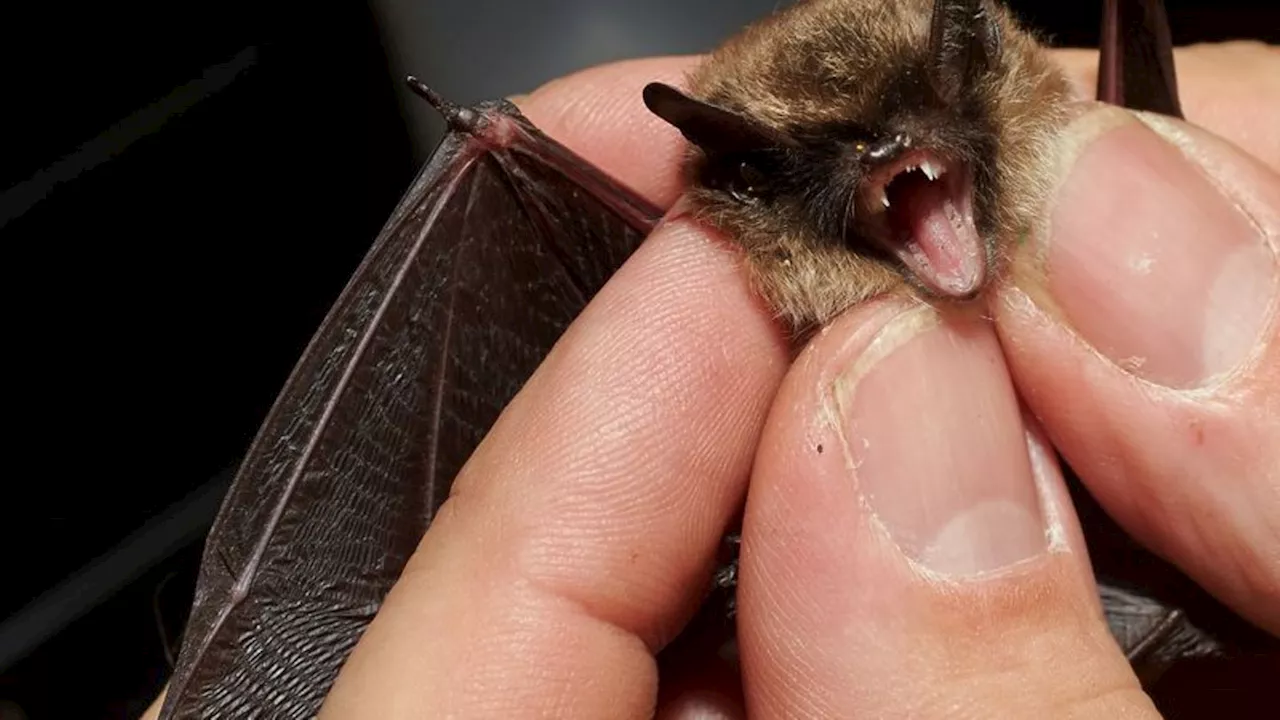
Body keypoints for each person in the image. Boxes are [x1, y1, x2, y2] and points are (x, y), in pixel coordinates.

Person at [145, 42, 1279, 719]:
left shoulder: (1043, 158)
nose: (901, 168)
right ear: (751, 181)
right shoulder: (728, 303)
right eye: (843, 167)